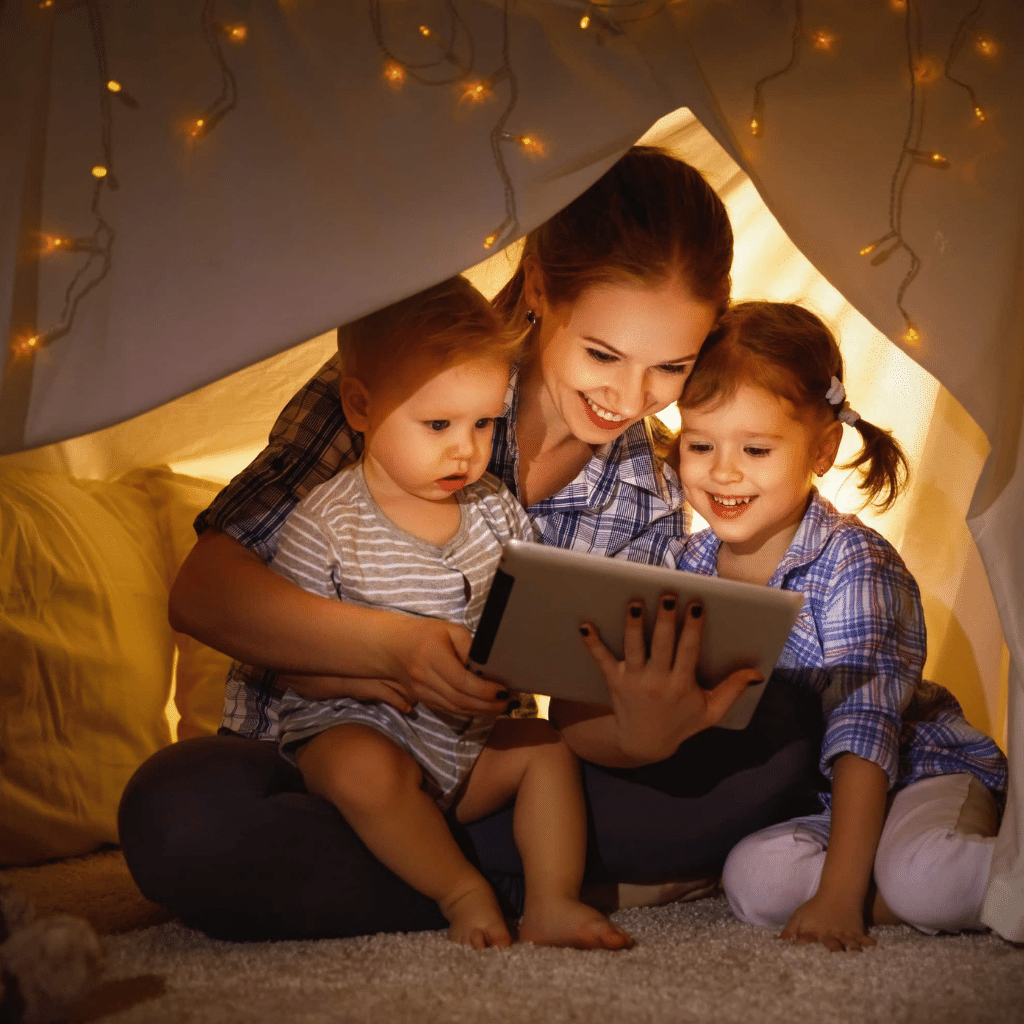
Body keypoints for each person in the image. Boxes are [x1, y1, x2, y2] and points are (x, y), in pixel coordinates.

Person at [119, 147, 822, 942]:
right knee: (177, 816)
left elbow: (579, 720)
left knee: (784, 736)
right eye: (602, 355)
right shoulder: (405, 373)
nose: (630, 399)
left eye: (670, 368)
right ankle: (507, 880)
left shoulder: (650, 486)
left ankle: (457, 878)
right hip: (320, 765)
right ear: (539, 290)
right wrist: (395, 649)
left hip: (488, 771)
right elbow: (205, 591)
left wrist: (642, 731)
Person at [580, 301, 1008, 953]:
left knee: (923, 879)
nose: (724, 471)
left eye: (755, 448)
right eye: (701, 445)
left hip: (916, 772)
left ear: (822, 448)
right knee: (753, 882)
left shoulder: (854, 562)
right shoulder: (685, 565)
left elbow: (865, 735)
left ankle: (979, 874)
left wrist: (839, 896)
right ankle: (874, 880)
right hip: (817, 801)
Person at [270, 276, 630, 950]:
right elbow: (292, 665)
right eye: (438, 424)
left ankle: (553, 899)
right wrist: (371, 677)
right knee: (357, 767)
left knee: (547, 752)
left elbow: (528, 619)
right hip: (368, 738)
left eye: (484, 423)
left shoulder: (493, 510)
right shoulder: (325, 522)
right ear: (359, 406)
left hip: (465, 748)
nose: (465, 448)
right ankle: (461, 890)